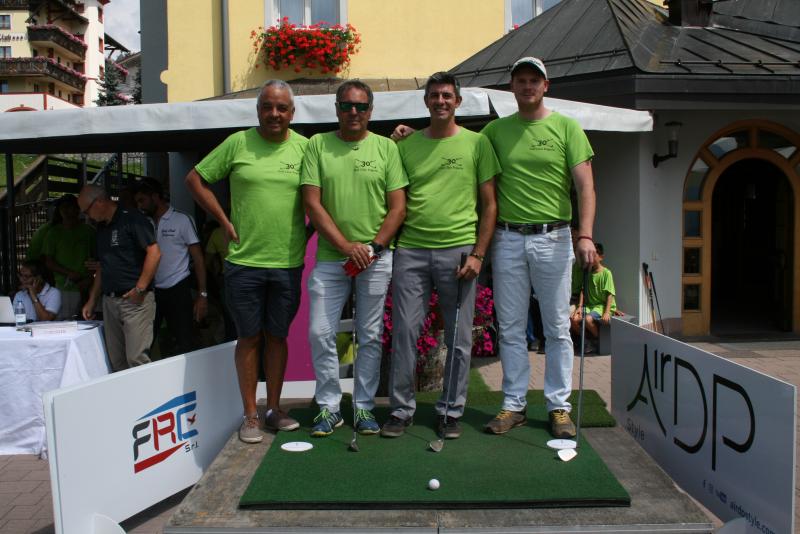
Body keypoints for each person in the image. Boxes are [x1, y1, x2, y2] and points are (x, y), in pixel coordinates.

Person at [185, 80, 308, 444]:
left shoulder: (306, 148)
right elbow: (195, 179)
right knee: (249, 337)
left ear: (292, 113)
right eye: (267, 107)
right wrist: (223, 221)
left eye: (281, 108)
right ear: (258, 111)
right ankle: (251, 415)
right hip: (244, 263)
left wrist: (311, 230)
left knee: (278, 336)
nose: (274, 114)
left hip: (287, 262)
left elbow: (325, 193)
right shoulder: (238, 142)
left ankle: (275, 409)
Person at [481, 57, 598, 439]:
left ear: (546, 86)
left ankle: (558, 406)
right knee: (511, 327)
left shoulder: (566, 127)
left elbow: (585, 186)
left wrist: (585, 235)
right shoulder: (495, 131)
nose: (528, 86)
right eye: (521, 80)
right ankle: (514, 405)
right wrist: (409, 134)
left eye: (535, 80)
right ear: (512, 87)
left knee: (557, 327)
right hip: (508, 238)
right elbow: (458, 147)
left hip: (554, 237)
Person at [380, 72, 498, 440]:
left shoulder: (477, 143)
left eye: (447, 95)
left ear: (457, 101)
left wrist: (478, 254)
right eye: (434, 95)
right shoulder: (406, 145)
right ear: (426, 101)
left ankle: (450, 411)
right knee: (404, 333)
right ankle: (400, 410)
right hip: (411, 252)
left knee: (459, 339)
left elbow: (490, 204)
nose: (441, 101)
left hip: (459, 252)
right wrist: (395, 138)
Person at [301, 80, 407, 438]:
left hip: (376, 258)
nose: (353, 112)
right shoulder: (318, 144)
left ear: (370, 111)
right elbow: (312, 203)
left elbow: (398, 208)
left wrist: (373, 247)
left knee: (370, 335)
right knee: (320, 332)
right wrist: (348, 247)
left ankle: (363, 406)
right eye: (346, 105)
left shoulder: (386, 148)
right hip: (333, 258)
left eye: (361, 106)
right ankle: (330, 407)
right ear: (336, 109)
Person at [79, 184, 161, 371]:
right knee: (116, 361)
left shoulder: (132, 218)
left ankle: (148, 391)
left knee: (136, 359)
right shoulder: (101, 228)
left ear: (99, 202)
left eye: (86, 210)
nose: (86, 216)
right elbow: (103, 266)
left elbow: (155, 252)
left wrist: (140, 288)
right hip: (110, 300)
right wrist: (92, 300)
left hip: (135, 300)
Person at [134, 178, 208, 356]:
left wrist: (202, 295)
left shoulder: (182, 219)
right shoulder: (142, 222)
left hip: (178, 288)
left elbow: (198, 259)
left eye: (142, 200)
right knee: (144, 344)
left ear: (155, 197)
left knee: (185, 343)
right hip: (151, 291)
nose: (139, 206)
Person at [43, 195, 96, 320]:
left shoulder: (89, 231)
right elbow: (48, 261)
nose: (66, 211)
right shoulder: (53, 233)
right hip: (64, 287)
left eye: (69, 207)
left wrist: (89, 278)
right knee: (66, 322)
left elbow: (97, 258)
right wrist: (69, 273)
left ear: (77, 209)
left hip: (88, 286)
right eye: (63, 208)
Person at [570, 242, 616, 345]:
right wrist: (579, 307)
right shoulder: (588, 272)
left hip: (601, 306)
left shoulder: (606, 273)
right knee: (573, 319)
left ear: (601, 257)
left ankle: (600, 341)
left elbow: (610, 294)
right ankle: (587, 341)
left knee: (587, 319)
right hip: (590, 306)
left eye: (594, 255)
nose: (590, 258)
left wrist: (607, 312)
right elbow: (583, 290)